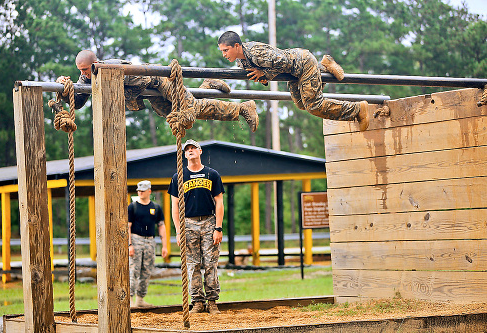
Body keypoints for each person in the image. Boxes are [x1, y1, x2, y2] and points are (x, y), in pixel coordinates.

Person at [56, 50, 259, 132]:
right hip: (150, 96)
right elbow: (80, 101)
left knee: (189, 109)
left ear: (96, 63)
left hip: (159, 82)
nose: (84, 75)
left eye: (86, 70)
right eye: (81, 72)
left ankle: (242, 108)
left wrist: (185, 113)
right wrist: (66, 90)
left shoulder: (111, 67)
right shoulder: (88, 76)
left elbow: (125, 82)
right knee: (188, 110)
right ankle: (207, 87)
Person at [217, 31, 370, 131]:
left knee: (313, 105)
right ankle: (324, 66)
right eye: (222, 51)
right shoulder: (241, 62)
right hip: (293, 74)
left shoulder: (256, 53)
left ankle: (357, 109)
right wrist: (262, 77)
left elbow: (283, 61)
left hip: (302, 63)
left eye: (226, 50)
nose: (224, 55)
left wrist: (264, 72)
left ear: (237, 46)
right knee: (301, 104)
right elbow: (267, 73)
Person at [167, 139, 224, 315]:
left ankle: (212, 301)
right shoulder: (178, 177)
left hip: (209, 222)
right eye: (187, 149)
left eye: (193, 148)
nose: (190, 151)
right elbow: (175, 206)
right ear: (184, 154)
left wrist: (218, 228)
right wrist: (178, 231)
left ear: (200, 151)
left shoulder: (211, 174)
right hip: (188, 224)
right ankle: (197, 302)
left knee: (210, 263)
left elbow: (219, 201)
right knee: (192, 265)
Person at [128, 180, 168, 307]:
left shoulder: (155, 207)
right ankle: (130, 299)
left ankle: (140, 298)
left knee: (147, 270)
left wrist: (164, 245)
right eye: (139, 191)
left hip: (150, 240)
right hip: (136, 239)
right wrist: (129, 245)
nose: (140, 193)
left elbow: (161, 226)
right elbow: (127, 227)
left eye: (143, 191)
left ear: (149, 191)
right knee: (133, 270)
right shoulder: (132, 207)